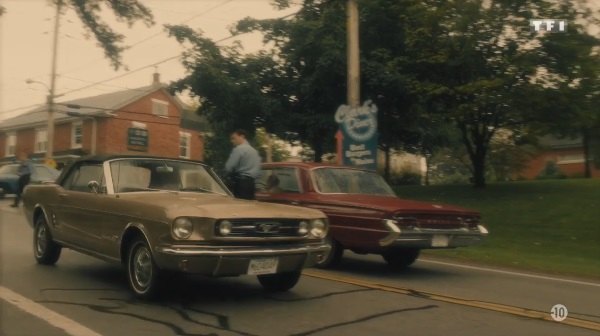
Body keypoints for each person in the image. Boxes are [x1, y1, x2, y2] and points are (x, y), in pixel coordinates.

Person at [225, 129, 262, 200]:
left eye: (234, 138)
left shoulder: (238, 149)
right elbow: (258, 171)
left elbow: (229, 167)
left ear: (242, 136)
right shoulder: (254, 151)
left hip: (241, 183)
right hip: (252, 184)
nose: (232, 141)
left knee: (239, 206)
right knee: (248, 208)